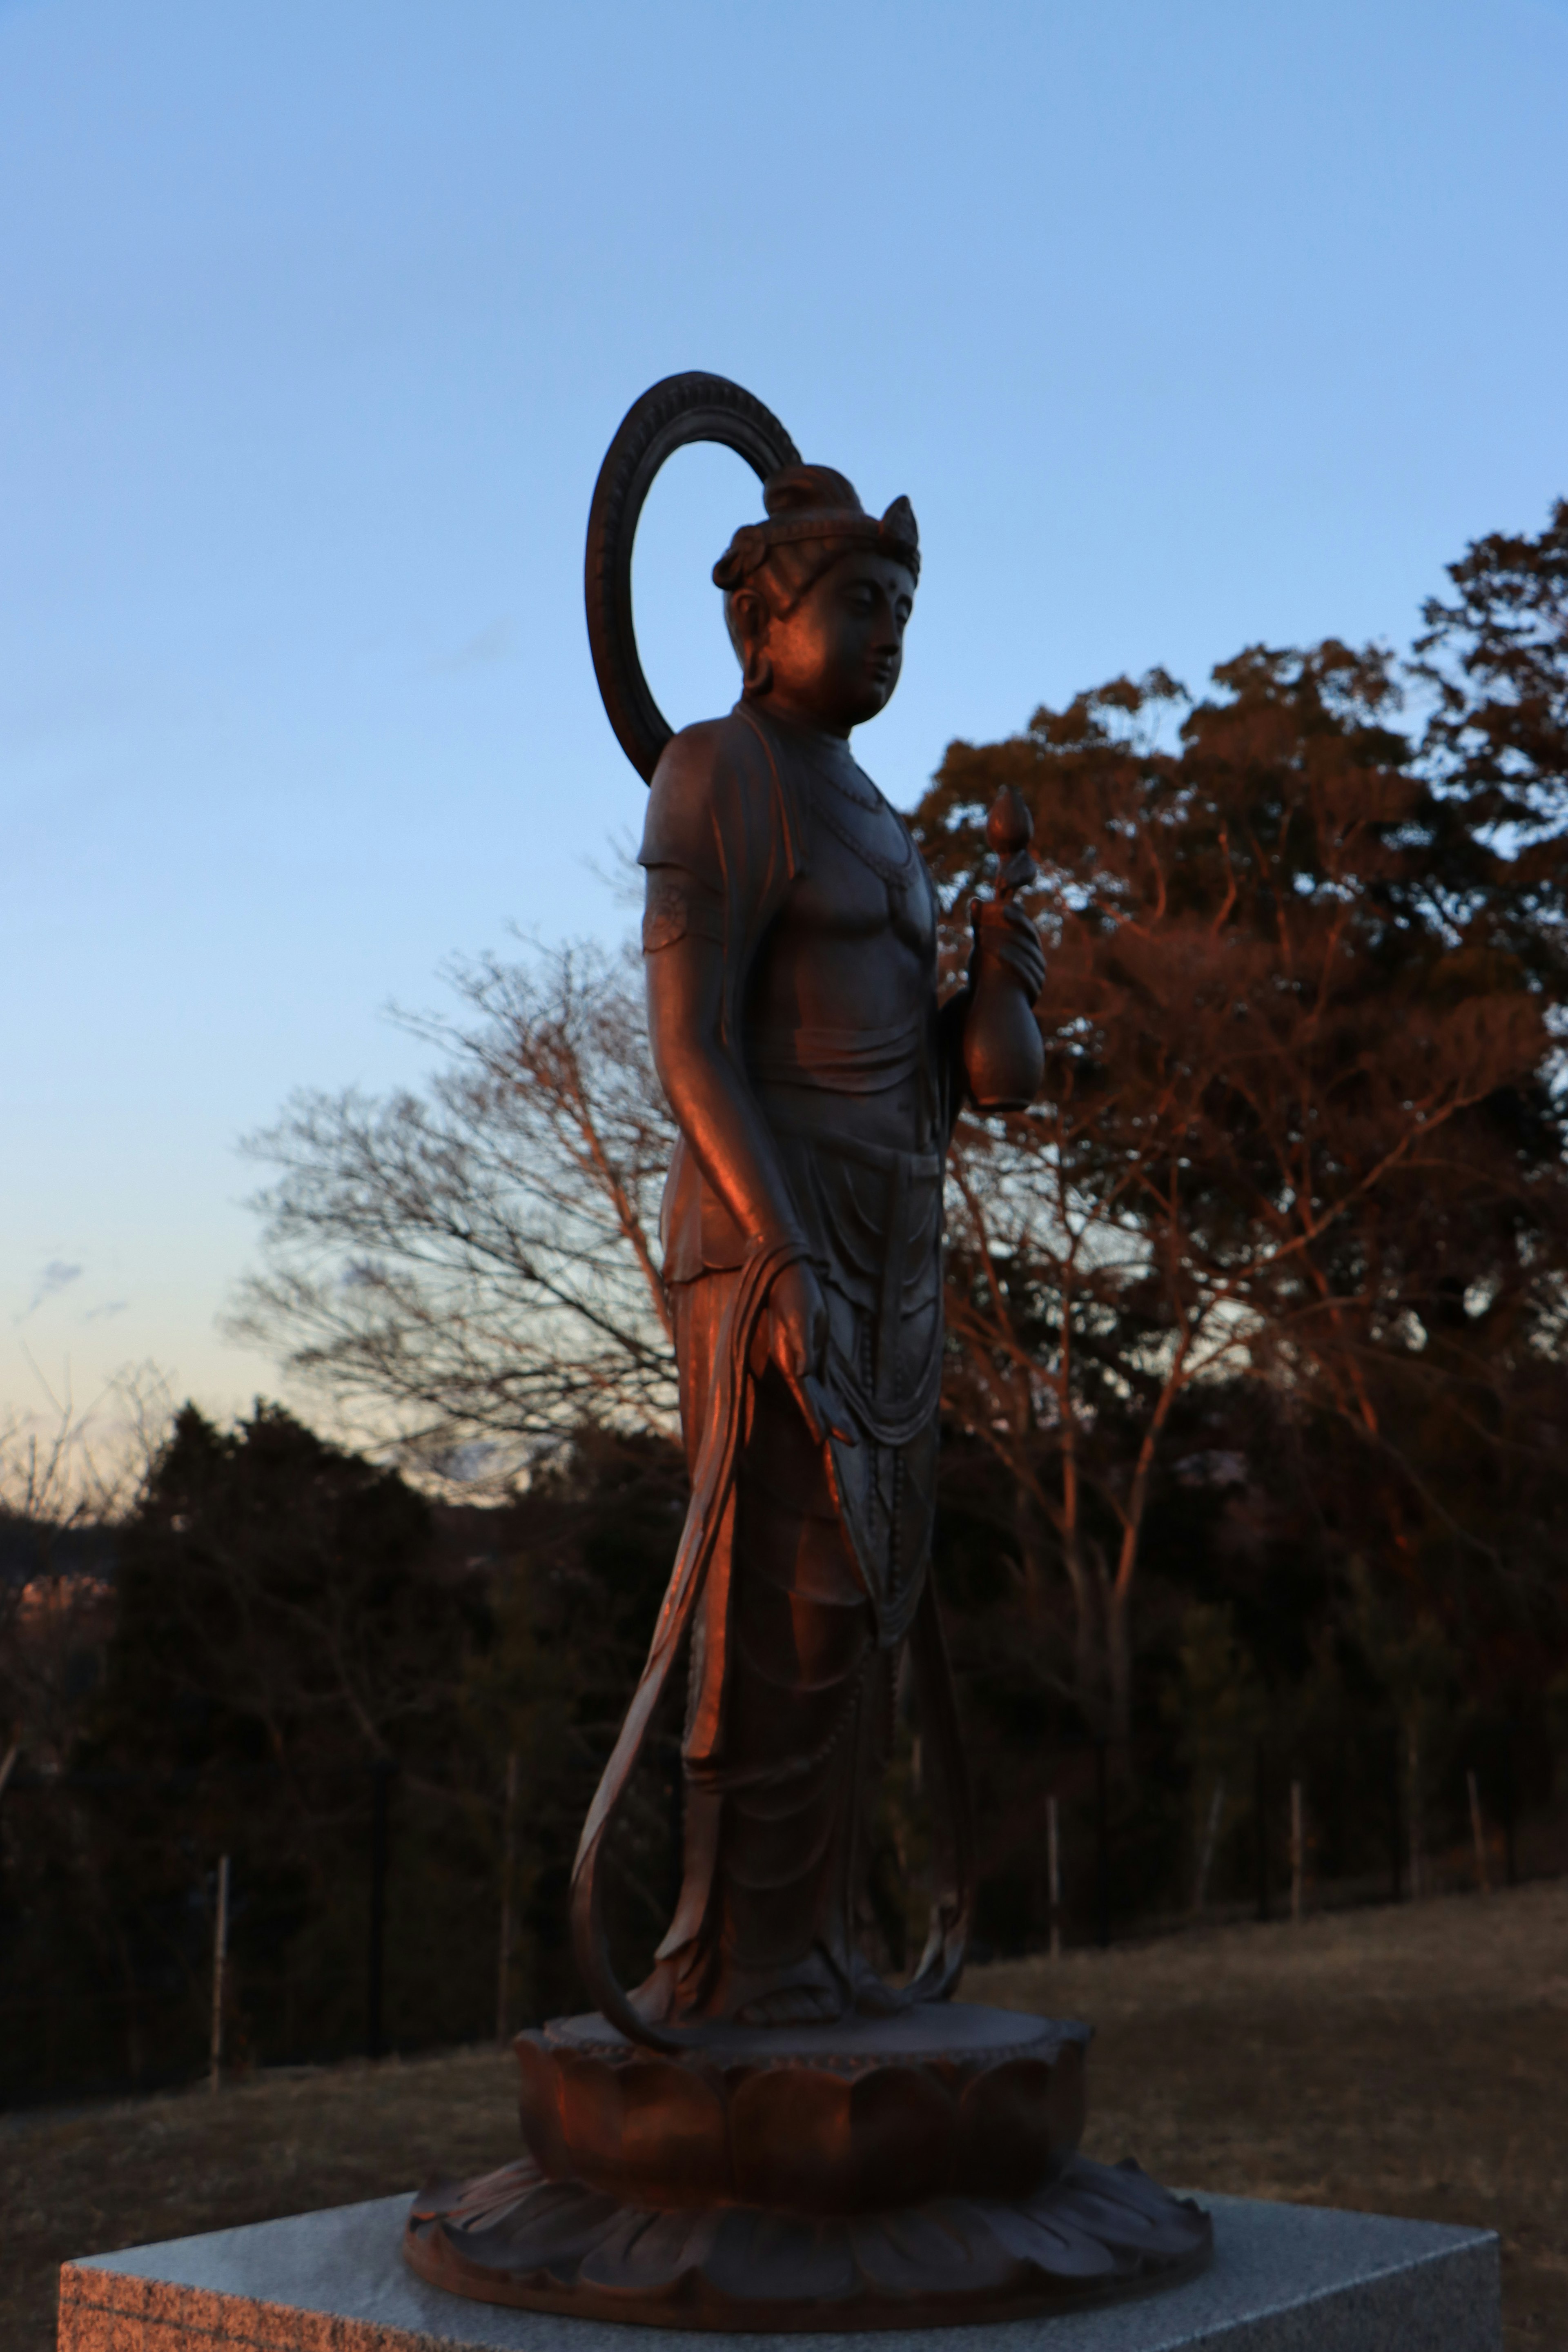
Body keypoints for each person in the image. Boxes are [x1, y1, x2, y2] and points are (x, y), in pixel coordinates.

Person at [570, 465, 1044, 2034]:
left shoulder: (883, 822)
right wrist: (778, 1254)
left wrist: (997, 970)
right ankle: (729, 1960)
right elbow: (691, 1047)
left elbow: (979, 1082)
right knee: (767, 1593)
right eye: (859, 603)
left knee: (863, 1596)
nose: (890, 635)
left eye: (906, 609)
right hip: (772, 1232)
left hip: (895, 1234)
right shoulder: (720, 775)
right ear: (763, 620)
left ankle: (823, 1949)